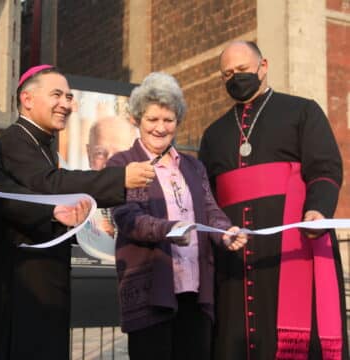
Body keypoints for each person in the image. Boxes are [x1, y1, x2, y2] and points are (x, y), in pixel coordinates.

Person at [0, 65, 156, 360]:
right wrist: (118, 178)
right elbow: (49, 184)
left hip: (42, 283)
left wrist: (61, 213)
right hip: (17, 286)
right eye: (57, 95)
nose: (66, 103)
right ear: (27, 99)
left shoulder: (45, 147)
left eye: (69, 96)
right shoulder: (15, 140)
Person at [198, 41, 348, 360]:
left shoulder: (302, 111)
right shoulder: (213, 134)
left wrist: (317, 209)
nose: (235, 78)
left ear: (262, 67)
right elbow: (206, 194)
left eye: (241, 70)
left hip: (292, 245)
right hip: (235, 260)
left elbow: (325, 167)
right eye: (227, 74)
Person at [107, 72, 247, 360]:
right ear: (137, 120)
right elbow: (128, 217)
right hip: (150, 292)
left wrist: (226, 232)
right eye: (152, 119)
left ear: (178, 121)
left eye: (168, 120)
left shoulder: (194, 167)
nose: (160, 127)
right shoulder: (122, 163)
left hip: (195, 290)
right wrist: (171, 229)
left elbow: (210, 211)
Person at [87, 115, 137, 237]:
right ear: (88, 154)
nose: (109, 162)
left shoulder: (148, 201)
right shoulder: (73, 201)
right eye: (100, 153)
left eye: (119, 154)